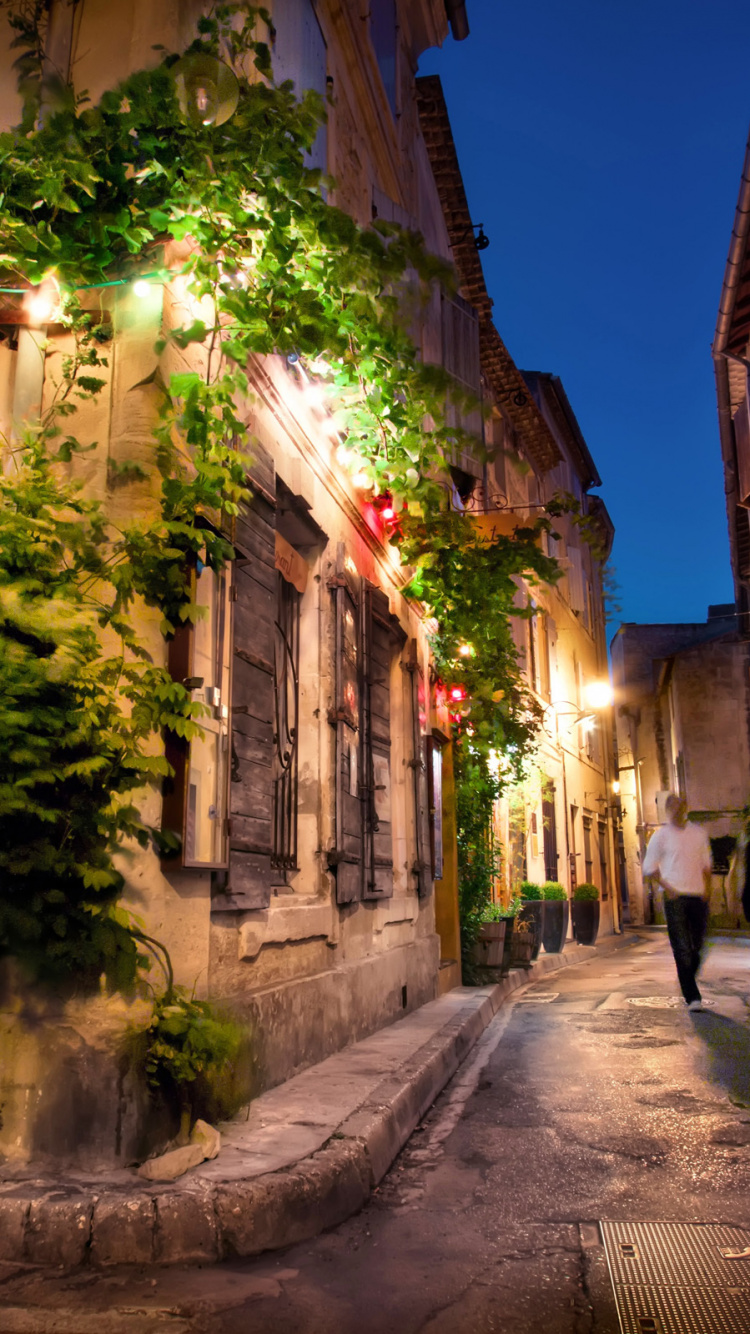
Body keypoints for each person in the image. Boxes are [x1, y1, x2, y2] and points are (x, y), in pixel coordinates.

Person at [641, 794, 712, 1011]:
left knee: (697, 946)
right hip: (675, 898)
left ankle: (686, 975)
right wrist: (668, 888)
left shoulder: (698, 834)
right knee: (681, 947)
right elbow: (649, 868)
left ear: (685, 808)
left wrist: (708, 891)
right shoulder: (661, 836)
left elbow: (706, 866)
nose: (674, 811)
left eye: (678, 806)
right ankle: (692, 996)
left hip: (697, 896)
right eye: (670, 807)